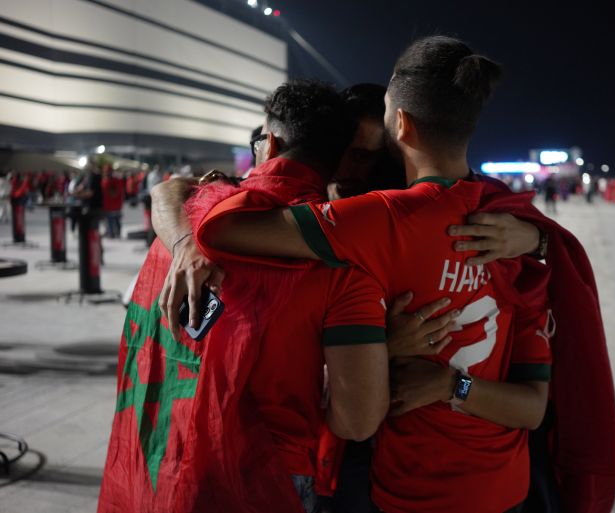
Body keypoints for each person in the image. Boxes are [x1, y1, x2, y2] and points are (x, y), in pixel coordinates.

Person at [161, 36, 553, 513]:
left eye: (368, 154)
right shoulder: (499, 219)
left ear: (398, 131)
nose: (347, 170)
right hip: (400, 470)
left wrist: (446, 382)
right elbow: (172, 192)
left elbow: (223, 227)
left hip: (397, 478)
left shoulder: (379, 221)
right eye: (340, 152)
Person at [99, 80, 393, 513]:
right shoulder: (343, 258)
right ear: (336, 160)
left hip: (157, 460)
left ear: (269, 143)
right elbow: (358, 419)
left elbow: (169, 191)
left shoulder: (186, 224)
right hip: (266, 479)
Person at [102, 164, 124, 239]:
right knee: (112, 220)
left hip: (112, 204)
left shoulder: (112, 180)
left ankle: (112, 233)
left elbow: (116, 193)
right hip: (110, 204)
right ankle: (112, 232)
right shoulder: (106, 180)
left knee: (112, 220)